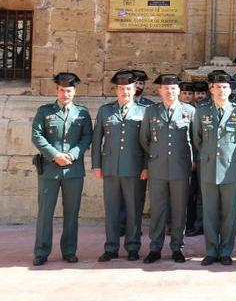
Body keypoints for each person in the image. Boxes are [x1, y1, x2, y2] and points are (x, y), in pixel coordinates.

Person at [32, 73, 93, 266]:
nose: (65, 94)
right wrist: (55, 155)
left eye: (68, 90)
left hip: (73, 171)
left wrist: (73, 154)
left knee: (72, 213)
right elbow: (37, 135)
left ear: (74, 91)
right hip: (49, 170)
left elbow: (86, 137)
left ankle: (69, 250)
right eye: (61, 90)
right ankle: (41, 251)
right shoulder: (44, 111)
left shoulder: (82, 113)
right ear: (57, 90)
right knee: (45, 213)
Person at [191, 71, 236, 266]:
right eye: (218, 87)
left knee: (229, 213)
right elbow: (197, 139)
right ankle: (211, 251)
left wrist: (230, 159)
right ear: (211, 89)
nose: (221, 90)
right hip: (208, 168)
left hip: (230, 170)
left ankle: (226, 251)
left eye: (225, 87)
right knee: (209, 212)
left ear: (230, 90)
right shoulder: (201, 111)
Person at [140, 74, 196, 263]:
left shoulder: (189, 111)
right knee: (158, 210)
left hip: (181, 168)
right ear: (160, 91)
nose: (170, 92)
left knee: (180, 210)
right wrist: (156, 156)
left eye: (173, 88)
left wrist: (191, 160)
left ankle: (177, 247)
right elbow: (144, 139)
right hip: (158, 168)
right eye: (166, 89)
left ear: (178, 91)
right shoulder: (151, 111)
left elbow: (195, 140)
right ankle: (155, 248)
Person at [92, 71, 147, 263]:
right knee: (112, 210)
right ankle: (111, 247)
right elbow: (97, 139)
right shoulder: (105, 111)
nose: (125, 91)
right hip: (111, 168)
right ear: (116, 90)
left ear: (134, 90)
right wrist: (96, 165)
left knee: (134, 209)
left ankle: (133, 246)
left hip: (134, 168)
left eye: (128, 88)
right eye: (121, 88)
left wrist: (146, 166)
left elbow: (148, 143)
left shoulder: (144, 111)